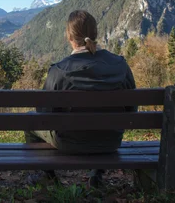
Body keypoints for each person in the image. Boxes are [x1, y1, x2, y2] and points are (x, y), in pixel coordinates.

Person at [25, 10, 137, 188]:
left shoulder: (59, 70)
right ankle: (97, 173)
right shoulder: (120, 65)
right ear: (96, 33)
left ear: (69, 36)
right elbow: (132, 109)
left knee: (30, 122)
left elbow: (43, 116)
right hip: (110, 141)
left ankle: (46, 173)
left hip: (69, 143)